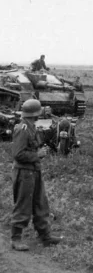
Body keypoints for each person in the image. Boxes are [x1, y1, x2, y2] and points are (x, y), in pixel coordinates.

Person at [11, 99, 61, 251]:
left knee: (41, 203)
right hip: (24, 172)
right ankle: (16, 238)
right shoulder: (23, 129)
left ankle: (44, 235)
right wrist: (37, 155)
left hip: (34, 170)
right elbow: (18, 154)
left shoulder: (31, 127)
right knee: (23, 204)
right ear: (35, 113)